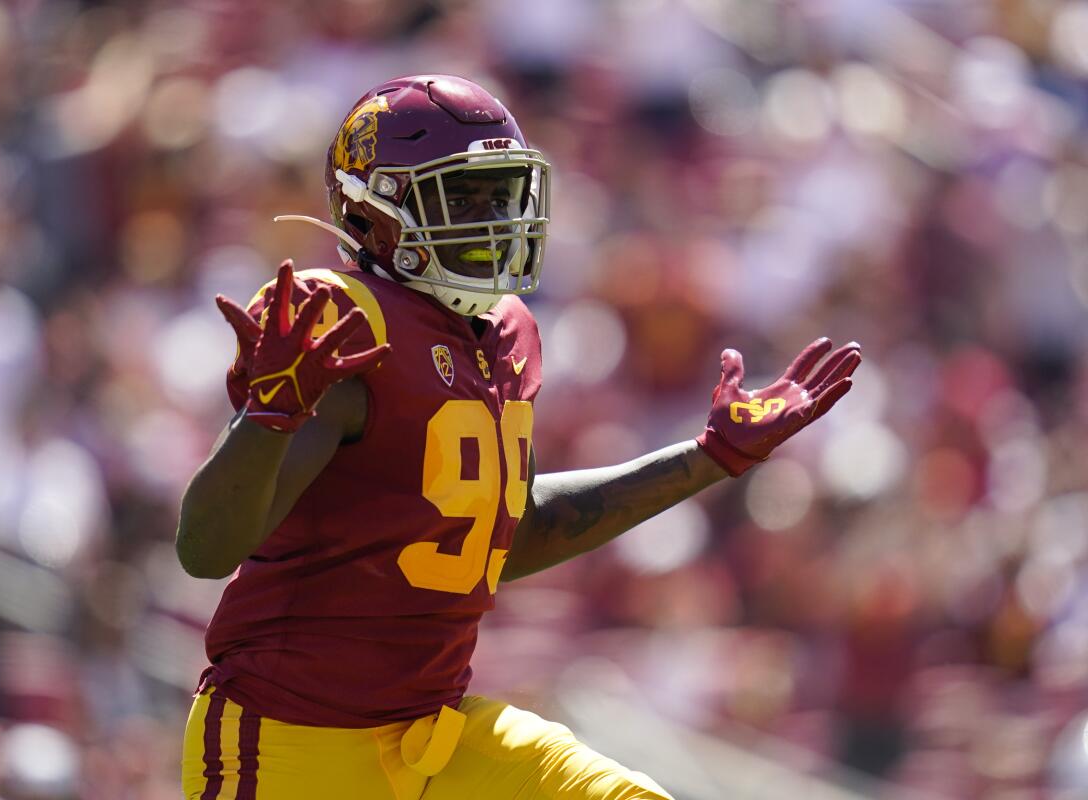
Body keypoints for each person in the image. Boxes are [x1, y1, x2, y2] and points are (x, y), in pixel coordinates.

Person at [176, 74, 861, 799]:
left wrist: (708, 460)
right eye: (460, 196)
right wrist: (269, 416)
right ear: (375, 210)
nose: (492, 217)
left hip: (435, 734)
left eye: (502, 192)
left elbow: (504, 534)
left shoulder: (507, 333)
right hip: (291, 741)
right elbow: (205, 549)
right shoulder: (346, 324)